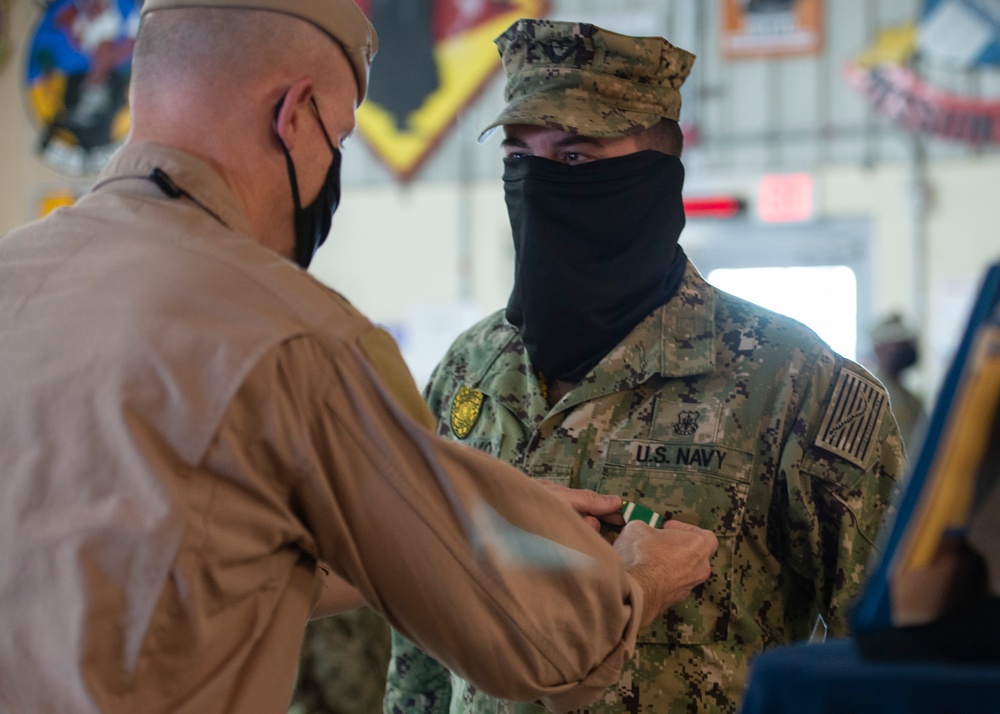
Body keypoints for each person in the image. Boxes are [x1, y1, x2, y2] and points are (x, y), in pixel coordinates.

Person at [0, 3, 720, 713]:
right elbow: (544, 645)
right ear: (296, 113)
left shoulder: (16, 279)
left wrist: (484, 513)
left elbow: (215, 560)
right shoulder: (296, 339)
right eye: (340, 138)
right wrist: (637, 579)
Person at [384, 19, 906, 714]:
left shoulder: (793, 383)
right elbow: (419, 643)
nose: (538, 185)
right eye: (519, 159)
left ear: (653, 178)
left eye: (573, 158)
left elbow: (889, 660)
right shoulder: (471, 370)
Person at [868, 312, 928, 452]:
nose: (907, 349)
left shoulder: (911, 398)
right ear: (880, 350)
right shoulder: (873, 393)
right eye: (900, 345)